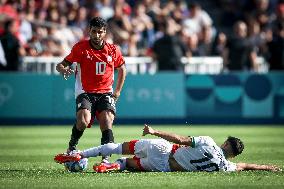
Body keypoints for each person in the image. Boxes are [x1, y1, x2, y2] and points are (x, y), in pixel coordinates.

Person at [54, 124, 281, 173]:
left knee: (117, 146)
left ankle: (79, 153)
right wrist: (266, 168)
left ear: (225, 144)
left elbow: (181, 139)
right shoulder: (225, 167)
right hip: (163, 166)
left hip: (164, 148)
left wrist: (155, 132)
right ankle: (111, 167)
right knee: (127, 164)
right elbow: (244, 166)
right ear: (232, 153)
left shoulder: (210, 141)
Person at [56, 17, 127, 162]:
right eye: (94, 31)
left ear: (105, 32)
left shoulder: (113, 50)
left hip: (106, 92)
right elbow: (61, 64)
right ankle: (72, 147)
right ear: (89, 31)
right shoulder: (80, 48)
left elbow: (122, 69)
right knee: (83, 120)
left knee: (107, 120)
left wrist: (117, 91)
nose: (96, 35)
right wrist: (63, 69)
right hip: (84, 91)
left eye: (100, 32)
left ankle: (106, 158)